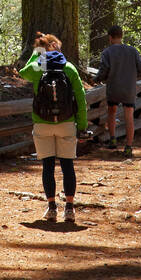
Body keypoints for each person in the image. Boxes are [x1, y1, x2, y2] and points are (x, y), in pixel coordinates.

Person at [19, 32, 88, 223]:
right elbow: (81, 100)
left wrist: (37, 53)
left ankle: (51, 208)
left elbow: (23, 72)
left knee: (47, 166)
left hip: (42, 123)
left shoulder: (38, 67)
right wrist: (82, 126)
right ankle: (70, 209)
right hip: (66, 123)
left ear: (43, 50)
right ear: (57, 48)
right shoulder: (69, 68)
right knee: (67, 166)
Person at [96, 24, 141, 158]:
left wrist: (98, 79)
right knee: (129, 116)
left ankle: (112, 140)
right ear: (121, 36)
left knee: (111, 112)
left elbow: (103, 71)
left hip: (113, 87)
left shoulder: (107, 52)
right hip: (129, 88)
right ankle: (128, 147)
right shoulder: (132, 51)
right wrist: (136, 78)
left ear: (110, 38)